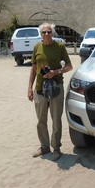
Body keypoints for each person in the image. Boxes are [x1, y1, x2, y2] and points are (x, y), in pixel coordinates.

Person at [27, 22, 73, 161]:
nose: (46, 34)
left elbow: (70, 66)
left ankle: (56, 148)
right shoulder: (37, 47)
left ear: (52, 33)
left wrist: (55, 72)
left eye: (49, 32)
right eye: (44, 32)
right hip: (40, 89)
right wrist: (30, 87)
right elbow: (34, 68)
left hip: (56, 88)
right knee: (41, 121)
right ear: (41, 34)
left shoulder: (59, 47)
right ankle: (44, 146)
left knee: (56, 120)